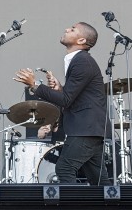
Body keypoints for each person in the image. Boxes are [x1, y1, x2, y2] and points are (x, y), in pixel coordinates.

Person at [13, 22, 111, 185]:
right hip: (90, 128)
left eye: (72, 29)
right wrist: (60, 88)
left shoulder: (82, 61)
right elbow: (71, 96)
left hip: (86, 129)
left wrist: (34, 85)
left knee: (64, 168)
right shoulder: (79, 60)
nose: (66, 29)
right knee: (99, 182)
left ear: (81, 40)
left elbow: (66, 99)